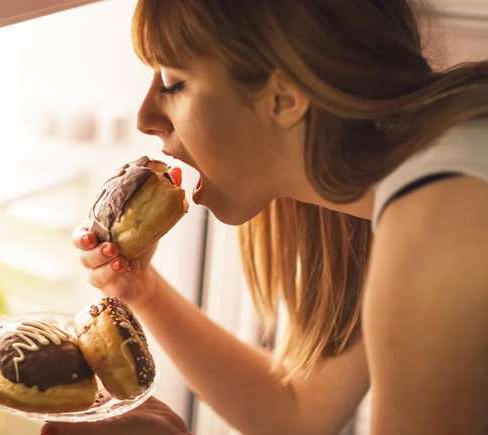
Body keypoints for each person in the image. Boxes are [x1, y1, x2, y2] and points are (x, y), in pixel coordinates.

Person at [42, 1, 488, 434]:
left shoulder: (438, 231)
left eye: (172, 83)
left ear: (283, 97)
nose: (145, 119)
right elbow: (298, 412)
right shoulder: (415, 178)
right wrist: (142, 290)